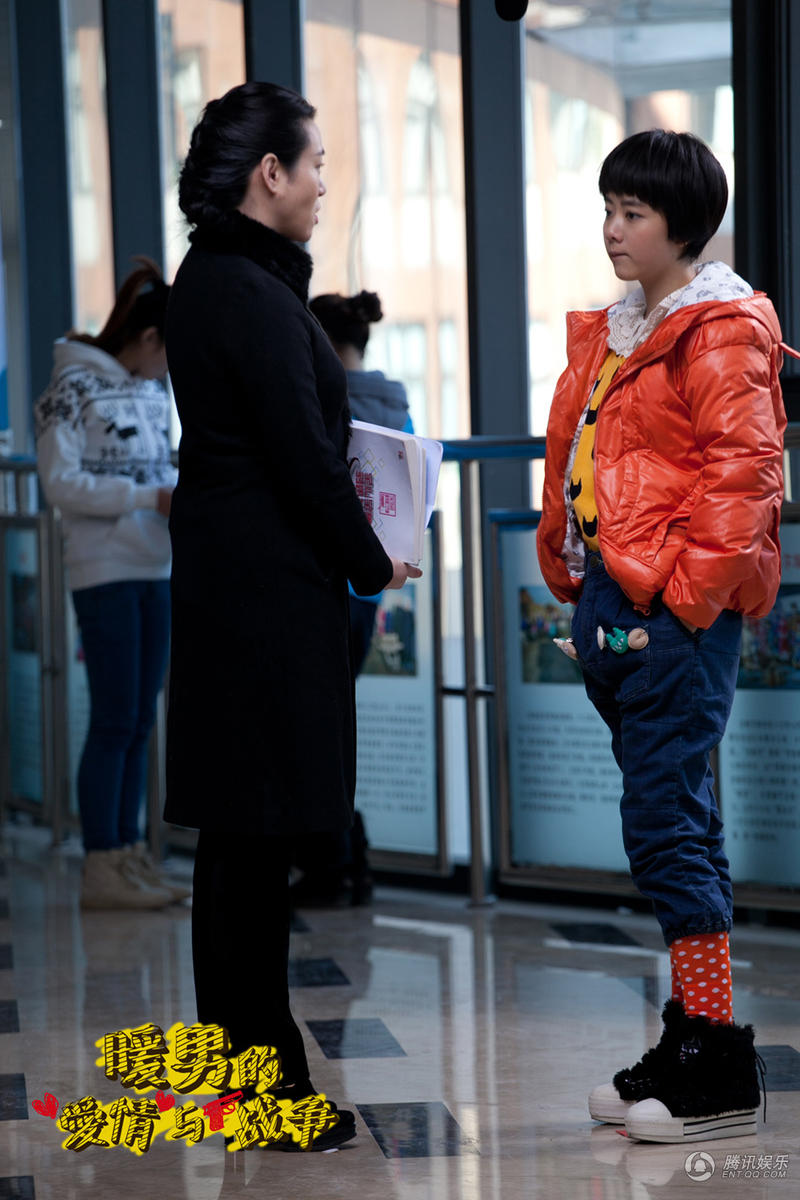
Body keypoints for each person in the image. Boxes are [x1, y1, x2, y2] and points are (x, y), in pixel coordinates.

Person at [164, 81, 420, 1152]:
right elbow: (304, 462)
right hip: (262, 602)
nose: (322, 184)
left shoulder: (221, 279)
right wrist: (375, 562)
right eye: (313, 163)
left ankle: (249, 1084)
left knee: (241, 852)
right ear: (267, 173)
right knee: (250, 857)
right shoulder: (247, 291)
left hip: (239, 591)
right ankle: (264, 1092)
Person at [536, 130, 785, 1144]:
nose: (611, 229)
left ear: (683, 226)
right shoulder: (624, 328)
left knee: (666, 827)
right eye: (607, 208)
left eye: (632, 213)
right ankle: (695, 1034)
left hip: (669, 614)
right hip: (617, 604)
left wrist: (681, 602)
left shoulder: (715, 328)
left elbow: (745, 478)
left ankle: (714, 1064)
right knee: (675, 821)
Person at [35, 258, 186, 910]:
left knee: (141, 719)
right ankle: (101, 860)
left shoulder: (152, 391)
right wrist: (148, 498)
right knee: (115, 717)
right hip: (103, 570)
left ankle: (127, 854)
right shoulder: (71, 387)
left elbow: (161, 468)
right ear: (149, 338)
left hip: (157, 566)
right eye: (169, 354)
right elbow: (60, 484)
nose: (170, 370)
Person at [287, 290, 413, 906]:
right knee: (333, 726)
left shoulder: (326, 400)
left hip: (323, 583)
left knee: (311, 731)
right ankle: (348, 860)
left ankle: (330, 863)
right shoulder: (396, 403)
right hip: (370, 587)